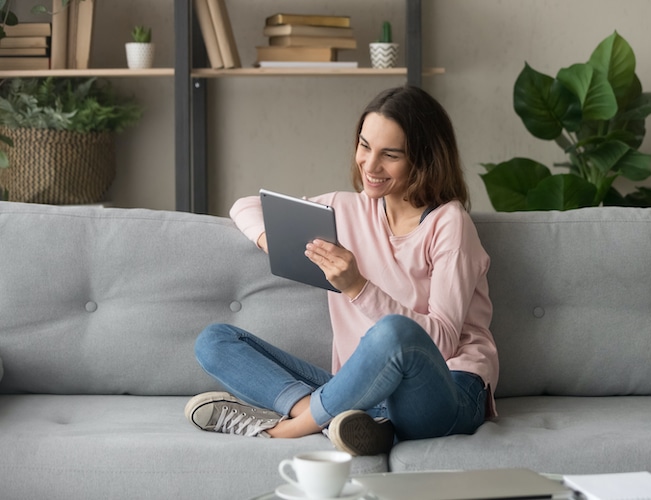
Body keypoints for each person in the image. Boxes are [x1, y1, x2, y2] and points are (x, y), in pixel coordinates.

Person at [184, 85, 499, 456]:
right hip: (362, 393)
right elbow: (246, 206)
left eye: (390, 155)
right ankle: (350, 423)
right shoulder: (344, 209)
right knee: (214, 340)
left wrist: (358, 288)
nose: (369, 165)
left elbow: (442, 341)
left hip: (449, 389)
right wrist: (274, 238)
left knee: (394, 332)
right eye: (365, 146)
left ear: (423, 160)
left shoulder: (449, 224)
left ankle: (294, 427)